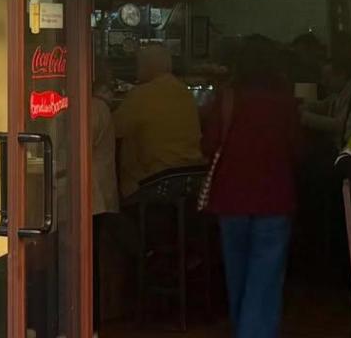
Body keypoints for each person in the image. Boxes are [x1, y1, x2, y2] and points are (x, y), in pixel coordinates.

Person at [202, 36, 301, 338]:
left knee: (238, 277)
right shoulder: (285, 101)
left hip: (231, 200)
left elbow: (208, 145)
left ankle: (242, 328)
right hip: (274, 198)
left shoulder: (227, 98)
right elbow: (297, 148)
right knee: (265, 280)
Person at [113, 44, 203, 199]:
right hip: (190, 174)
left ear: (148, 66)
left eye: (139, 64)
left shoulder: (141, 95)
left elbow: (114, 129)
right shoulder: (185, 92)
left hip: (156, 178)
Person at [89, 79, 119, 336]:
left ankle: (91, 325)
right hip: (94, 197)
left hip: (89, 197)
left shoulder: (94, 109)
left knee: (87, 264)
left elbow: (72, 146)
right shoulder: (99, 107)